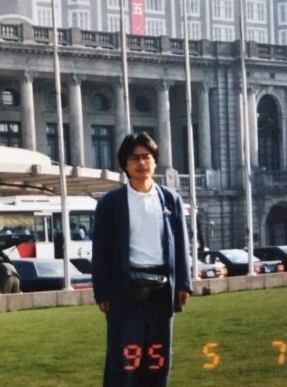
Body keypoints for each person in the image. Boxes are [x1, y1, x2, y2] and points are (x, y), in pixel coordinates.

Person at [92, 132, 192, 387]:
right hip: (125, 291)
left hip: (161, 291)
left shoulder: (170, 200)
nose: (141, 162)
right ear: (125, 164)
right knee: (125, 358)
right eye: (134, 158)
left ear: (155, 161)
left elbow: (181, 245)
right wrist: (101, 291)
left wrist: (184, 283)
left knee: (157, 357)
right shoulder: (111, 203)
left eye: (146, 156)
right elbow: (101, 251)